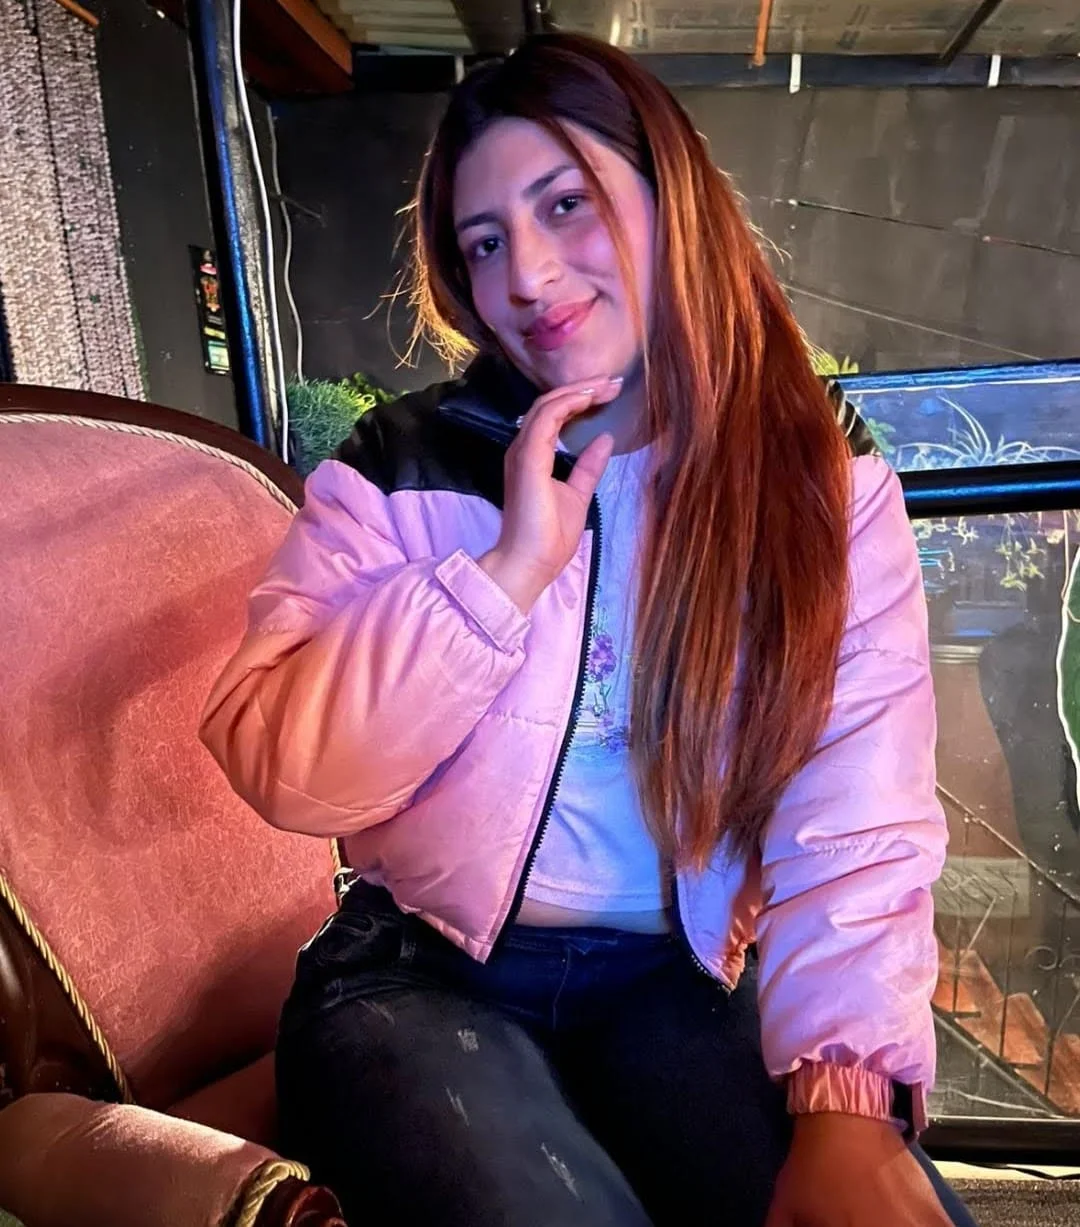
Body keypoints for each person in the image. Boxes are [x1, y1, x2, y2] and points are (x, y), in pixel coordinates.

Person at [201, 33, 977, 1227]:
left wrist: (848, 1101)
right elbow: (288, 771)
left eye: (566, 204)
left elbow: (858, 807)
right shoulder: (398, 464)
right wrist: (502, 576)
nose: (528, 273)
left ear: (672, 198)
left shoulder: (817, 476)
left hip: (673, 982)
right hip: (413, 979)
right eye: (485, 241)